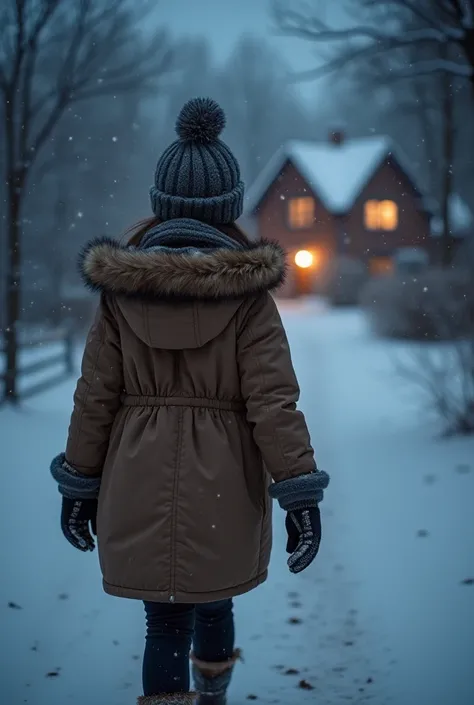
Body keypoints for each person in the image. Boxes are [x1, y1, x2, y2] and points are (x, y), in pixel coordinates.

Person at [50, 97, 330, 705]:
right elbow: (272, 401)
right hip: (224, 480)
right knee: (214, 597)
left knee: (162, 623)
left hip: (137, 473)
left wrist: (79, 484)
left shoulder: (120, 294)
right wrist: (300, 493)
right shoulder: (250, 297)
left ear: (161, 203)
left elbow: (95, 394)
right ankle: (213, 696)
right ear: (228, 210)